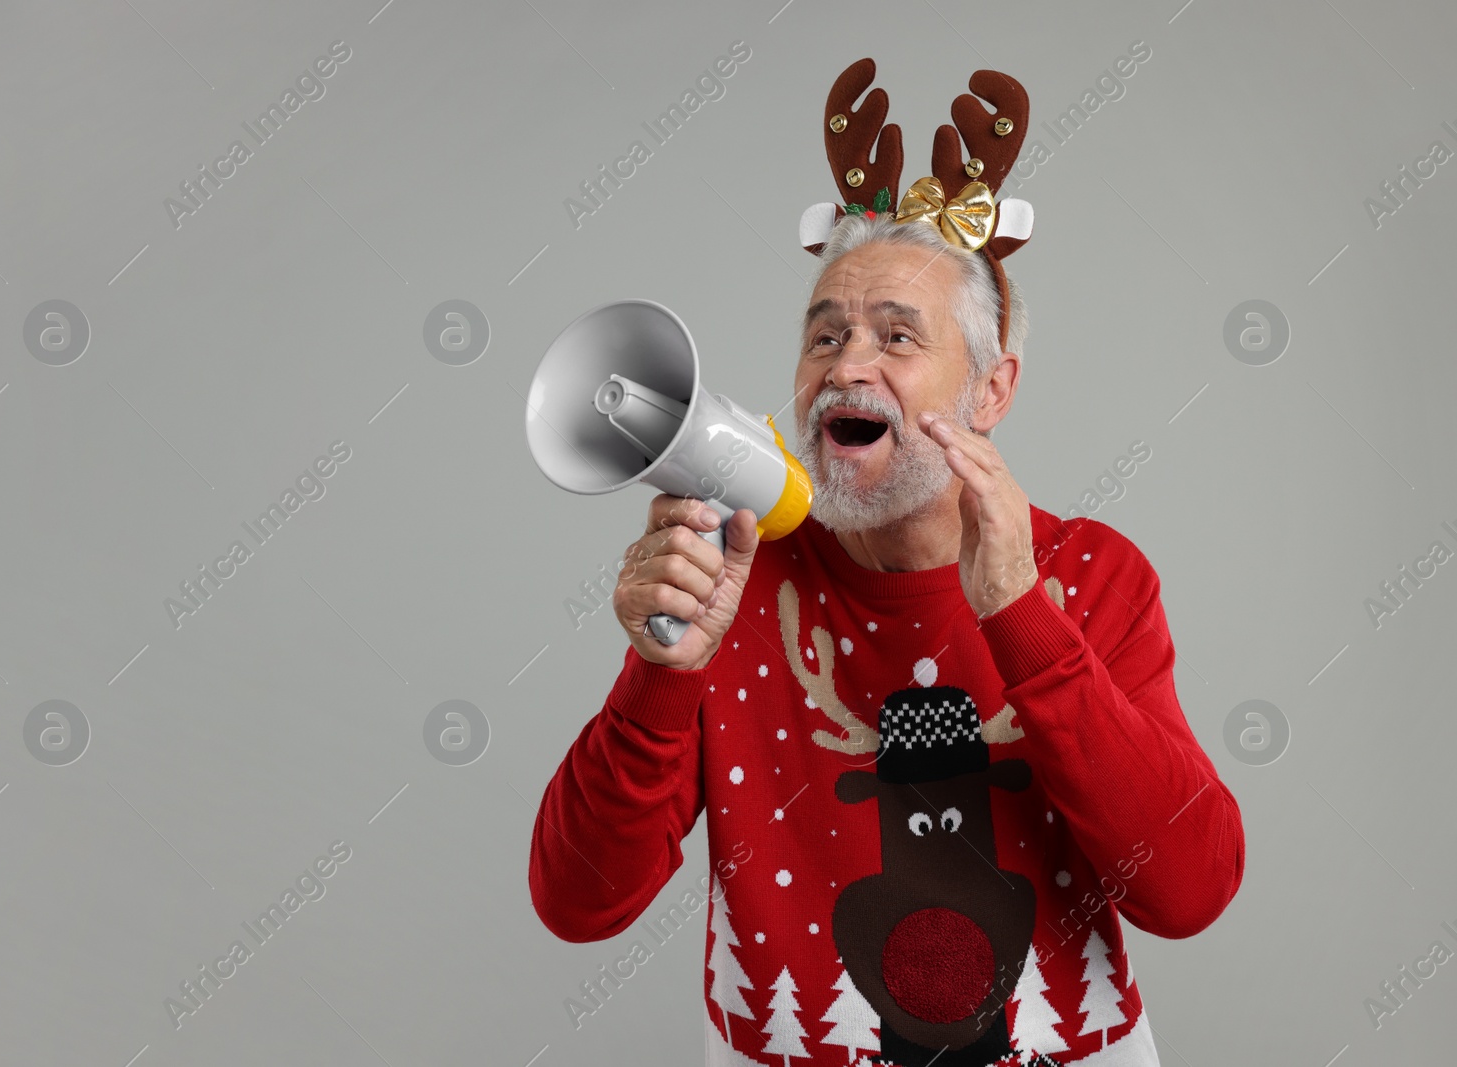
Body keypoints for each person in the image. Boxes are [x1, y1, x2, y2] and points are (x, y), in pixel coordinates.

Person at [529, 61, 1243, 1067]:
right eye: (825, 333)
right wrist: (663, 669)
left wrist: (1024, 619)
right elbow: (577, 902)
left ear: (989, 390)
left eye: (896, 336)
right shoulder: (739, 577)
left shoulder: (1091, 573)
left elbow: (1191, 886)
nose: (846, 365)